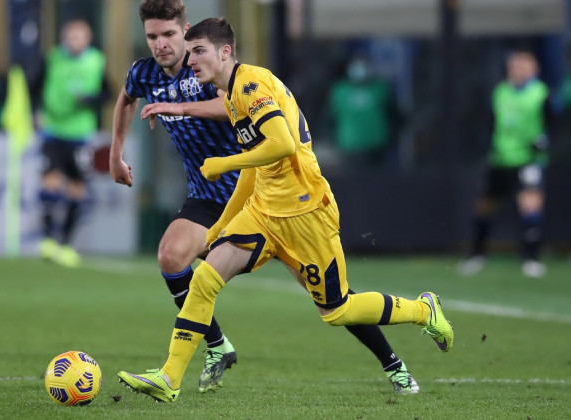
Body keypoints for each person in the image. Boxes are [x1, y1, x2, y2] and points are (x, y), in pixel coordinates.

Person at [116, 17, 454, 403]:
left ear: (225, 52)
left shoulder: (250, 85)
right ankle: (169, 378)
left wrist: (221, 165)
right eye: (189, 52)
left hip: (305, 211)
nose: (190, 60)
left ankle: (423, 311)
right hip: (264, 209)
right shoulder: (230, 93)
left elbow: (283, 144)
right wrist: (223, 224)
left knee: (338, 310)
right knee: (205, 279)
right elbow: (255, 163)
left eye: (199, 51)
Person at [458, 49, 549, 278]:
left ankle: (531, 258)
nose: (518, 71)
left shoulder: (541, 93)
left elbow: (553, 123)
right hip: (500, 158)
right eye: (514, 66)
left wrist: (544, 141)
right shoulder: (500, 92)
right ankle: (476, 254)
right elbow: (489, 121)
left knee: (530, 204)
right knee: (485, 206)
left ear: (533, 70)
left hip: (528, 159)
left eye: (523, 66)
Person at [34, 19, 106, 267]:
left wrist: (90, 99)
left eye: (80, 37)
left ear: (88, 39)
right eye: (71, 36)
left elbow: (108, 93)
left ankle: (65, 245)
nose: (75, 41)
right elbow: (35, 86)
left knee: (77, 190)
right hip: (53, 131)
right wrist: (37, 111)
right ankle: (47, 241)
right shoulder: (53, 57)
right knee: (50, 183)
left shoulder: (97, 61)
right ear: (65, 37)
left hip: (80, 135)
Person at [326, 55, 397, 166]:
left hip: (376, 145)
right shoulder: (340, 90)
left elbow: (394, 114)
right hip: (349, 146)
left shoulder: (380, 88)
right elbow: (329, 118)